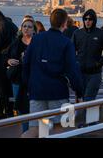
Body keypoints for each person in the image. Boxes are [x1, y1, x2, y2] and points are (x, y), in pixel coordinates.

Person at [22, 8, 83, 137]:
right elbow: (72, 69)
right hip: (58, 91)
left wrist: (28, 86)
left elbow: (26, 63)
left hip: (36, 90)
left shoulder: (37, 39)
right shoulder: (66, 43)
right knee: (62, 128)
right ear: (64, 23)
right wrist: (79, 92)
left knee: (35, 129)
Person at [72, 9, 103, 101]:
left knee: (88, 99)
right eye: (85, 19)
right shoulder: (77, 33)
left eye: (90, 19)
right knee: (79, 99)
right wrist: (75, 63)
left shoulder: (101, 33)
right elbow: (71, 51)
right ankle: (79, 115)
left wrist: (99, 63)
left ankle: (87, 115)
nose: (87, 21)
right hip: (80, 72)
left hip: (94, 73)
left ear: (94, 20)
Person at [5, 16, 36, 131]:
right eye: (24, 26)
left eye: (29, 27)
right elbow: (6, 56)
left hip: (34, 80)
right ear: (21, 28)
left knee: (34, 107)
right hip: (17, 79)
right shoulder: (15, 43)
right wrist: (9, 60)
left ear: (34, 29)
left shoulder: (37, 43)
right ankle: (25, 131)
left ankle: (32, 131)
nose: (26, 28)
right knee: (20, 107)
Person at [0, 8, 18, 119]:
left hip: (0, 60)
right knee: (6, 88)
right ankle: (8, 110)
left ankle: (1, 112)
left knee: (1, 88)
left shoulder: (1, 25)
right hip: (7, 59)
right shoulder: (10, 25)